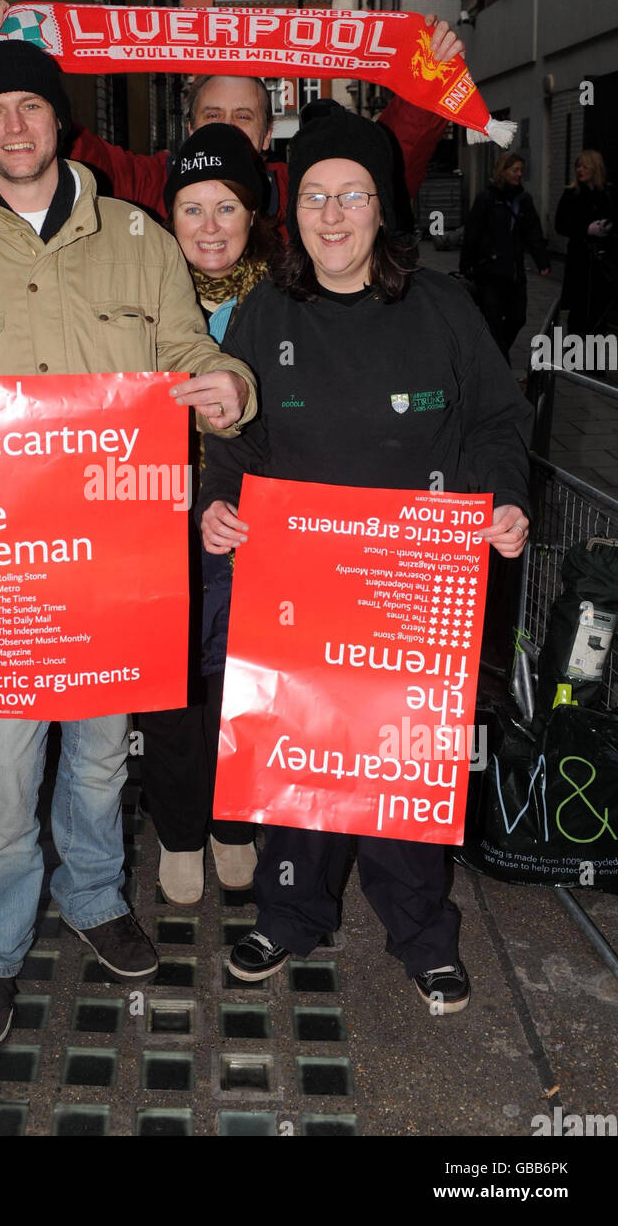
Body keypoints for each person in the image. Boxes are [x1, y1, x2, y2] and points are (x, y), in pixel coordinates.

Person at [0, 40, 258, 1051]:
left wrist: (227, 386)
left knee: (101, 759)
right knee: (4, 775)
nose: (12, 126)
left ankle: (96, 895)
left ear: (62, 121)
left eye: (30, 107)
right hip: (6, 571)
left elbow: (190, 350)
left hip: (116, 565)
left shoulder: (141, 240)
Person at [198, 100, 533, 1013]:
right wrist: (215, 508)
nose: (333, 216)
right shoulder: (266, 312)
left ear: (383, 206)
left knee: (401, 768)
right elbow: (231, 438)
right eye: (314, 197)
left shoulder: (443, 309)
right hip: (295, 583)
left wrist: (503, 501)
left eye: (352, 196)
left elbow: (502, 424)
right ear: (293, 213)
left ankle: (422, 934)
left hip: (410, 583)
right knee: (300, 765)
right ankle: (291, 915)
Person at [0, 1, 467, 234]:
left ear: (269, 132)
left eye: (243, 117)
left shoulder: (303, 193)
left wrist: (430, 80)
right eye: (213, 115)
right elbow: (73, 149)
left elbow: (385, 161)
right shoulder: (149, 184)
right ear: (189, 129)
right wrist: (15, 60)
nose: (227, 129)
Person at [136, 123, 277, 905]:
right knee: (166, 684)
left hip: (251, 521)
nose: (210, 226)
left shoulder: (285, 294)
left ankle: (233, 821)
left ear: (252, 215)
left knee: (237, 680)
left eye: (227, 206)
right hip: (153, 512)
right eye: (192, 208)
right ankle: (180, 833)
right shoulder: (141, 290)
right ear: (170, 217)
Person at [460, 151, 551, 361]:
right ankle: (502, 369)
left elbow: (533, 231)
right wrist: (466, 268)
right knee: (492, 320)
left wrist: (542, 260)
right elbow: (472, 234)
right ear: (503, 171)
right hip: (489, 272)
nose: (519, 174)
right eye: (515, 170)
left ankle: (494, 358)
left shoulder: (523, 200)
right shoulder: (487, 199)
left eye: (521, 170)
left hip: (514, 272)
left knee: (517, 318)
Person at [554, 149, 616, 339]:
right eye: (577, 166)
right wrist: (586, 228)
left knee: (599, 315)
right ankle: (576, 360)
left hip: (602, 262)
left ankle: (594, 364)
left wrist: (608, 227)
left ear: (594, 168)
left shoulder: (608, 193)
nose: (580, 170)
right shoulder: (572, 194)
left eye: (584, 166)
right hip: (579, 260)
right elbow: (561, 224)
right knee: (578, 312)